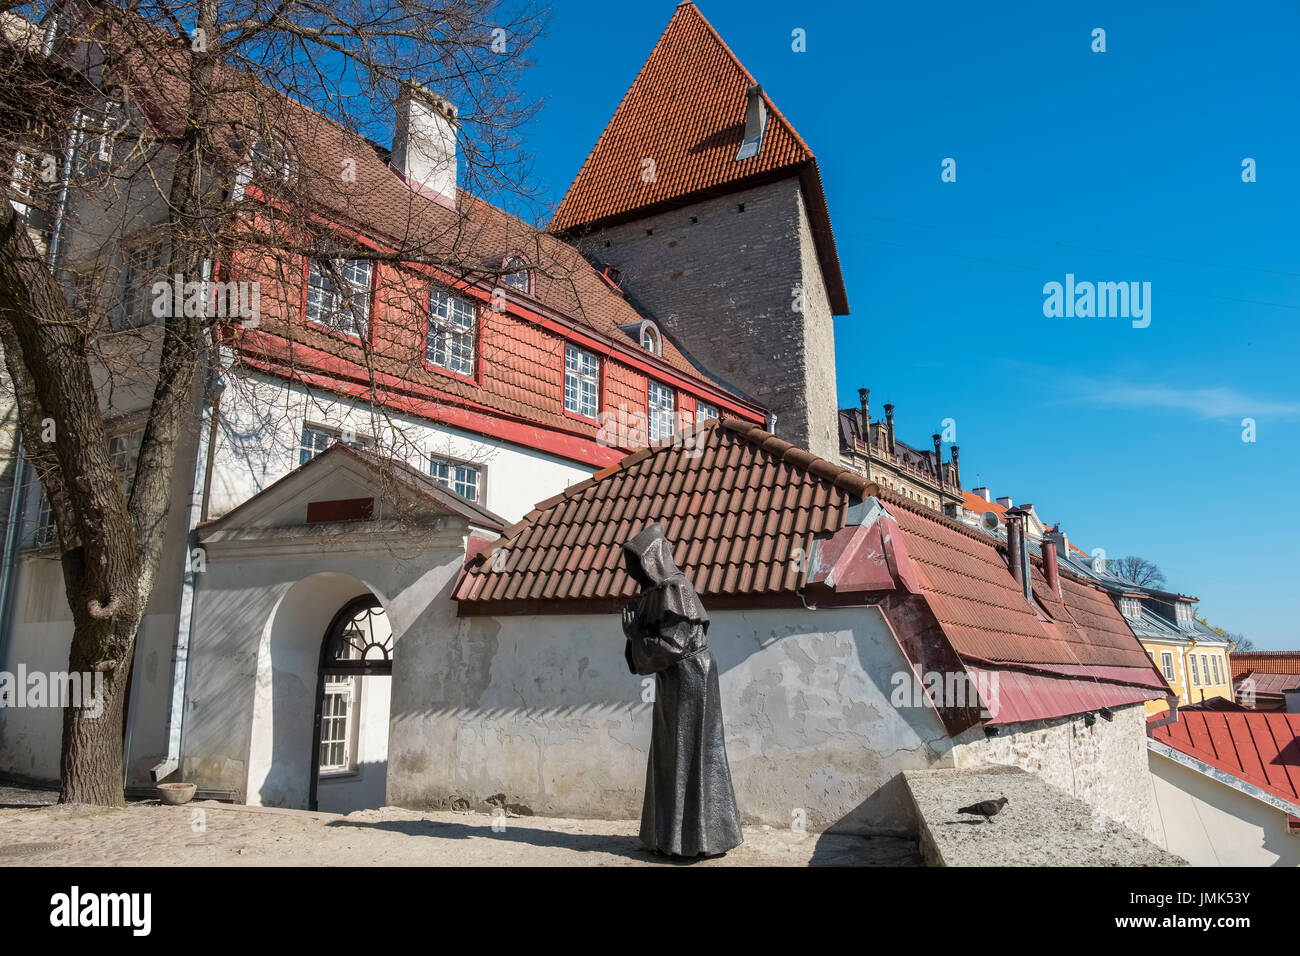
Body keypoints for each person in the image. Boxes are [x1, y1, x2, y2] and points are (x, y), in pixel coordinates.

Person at [621, 523, 743, 858]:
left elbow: (672, 644)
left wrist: (635, 635)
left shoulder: (677, 589)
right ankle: (670, 837)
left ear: (653, 560)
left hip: (691, 676)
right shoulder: (656, 594)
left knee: (691, 753)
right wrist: (637, 634)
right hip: (672, 678)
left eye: (639, 563)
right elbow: (657, 648)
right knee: (669, 752)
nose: (636, 572)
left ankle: (696, 841)